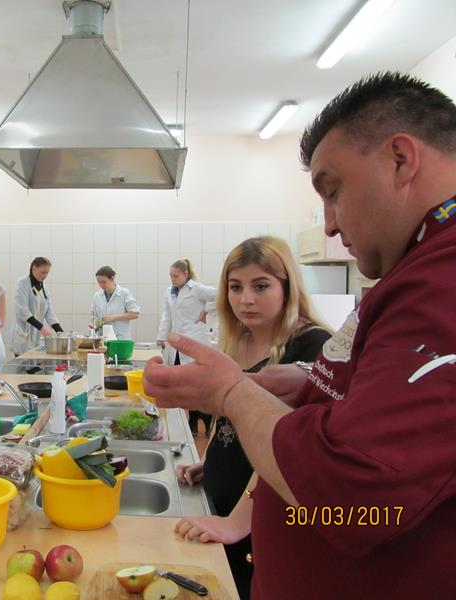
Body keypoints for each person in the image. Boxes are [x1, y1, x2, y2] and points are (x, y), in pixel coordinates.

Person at [143, 72, 456, 598]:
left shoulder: (442, 281)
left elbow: (354, 498)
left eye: (333, 192)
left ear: (401, 159)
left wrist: (231, 392)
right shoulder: (412, 273)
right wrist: (311, 382)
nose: (328, 224)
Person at [171, 236, 331, 599]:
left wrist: (236, 523)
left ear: (287, 287)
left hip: (262, 520)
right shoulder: (240, 339)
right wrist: (211, 461)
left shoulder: (312, 346)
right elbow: (230, 419)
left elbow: (289, 450)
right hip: (227, 505)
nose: (246, 299)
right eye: (235, 287)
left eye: (261, 286)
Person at [156, 258, 217, 435]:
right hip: (177, 344)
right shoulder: (169, 291)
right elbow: (166, 315)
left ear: (185, 274)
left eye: (176, 276)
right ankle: (192, 420)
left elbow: (221, 296)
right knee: (182, 384)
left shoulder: (196, 288)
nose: (172, 279)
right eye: (171, 276)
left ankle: (203, 420)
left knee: (197, 384)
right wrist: (161, 337)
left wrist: (207, 310)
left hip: (195, 342)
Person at [10, 257, 64, 355]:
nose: (45, 276)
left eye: (47, 273)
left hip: (36, 338)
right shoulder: (22, 284)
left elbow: (49, 313)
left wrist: (61, 333)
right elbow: (22, 311)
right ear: (34, 268)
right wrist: (41, 327)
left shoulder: (45, 289)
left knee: (35, 361)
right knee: (23, 363)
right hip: (23, 336)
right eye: (43, 272)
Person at [90, 266, 140, 339]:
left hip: (121, 338)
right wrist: (94, 324)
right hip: (102, 339)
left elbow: (135, 314)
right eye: (99, 282)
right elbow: (95, 318)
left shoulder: (124, 293)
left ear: (112, 278)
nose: (101, 285)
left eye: (104, 282)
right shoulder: (96, 296)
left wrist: (113, 317)